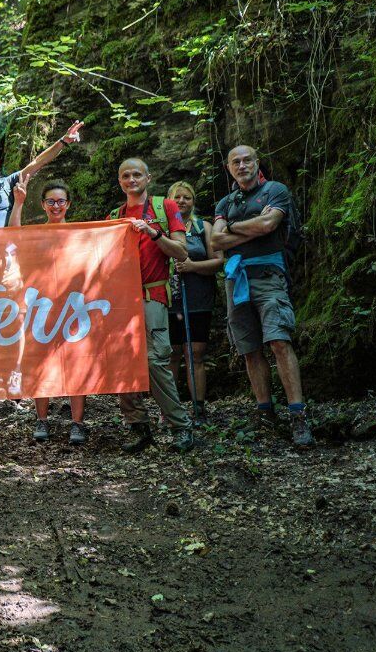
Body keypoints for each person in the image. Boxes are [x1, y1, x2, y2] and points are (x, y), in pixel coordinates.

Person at [210, 146, 313, 447]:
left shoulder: (275, 190)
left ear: (257, 163)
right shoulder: (226, 201)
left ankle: (298, 415)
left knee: (279, 340)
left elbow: (270, 224)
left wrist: (232, 228)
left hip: (269, 274)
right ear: (228, 167)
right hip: (235, 278)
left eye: (247, 160)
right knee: (249, 348)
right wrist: (252, 228)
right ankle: (265, 413)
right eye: (236, 162)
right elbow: (216, 240)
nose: (242, 166)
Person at [107, 159, 194, 453]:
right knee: (123, 364)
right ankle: (138, 427)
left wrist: (153, 233)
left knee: (156, 362)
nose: (131, 179)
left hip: (152, 296)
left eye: (136, 174)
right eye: (125, 176)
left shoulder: (165, 207)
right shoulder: (115, 215)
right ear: (120, 181)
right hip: (121, 301)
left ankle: (180, 427)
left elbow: (182, 251)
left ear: (148, 177)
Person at [9, 175, 88, 445]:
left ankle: (77, 423)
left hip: (73, 308)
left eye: (61, 201)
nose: (56, 206)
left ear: (68, 204)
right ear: (43, 205)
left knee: (76, 364)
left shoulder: (79, 233)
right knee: (41, 363)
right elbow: (13, 236)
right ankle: (41, 419)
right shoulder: (35, 233)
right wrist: (19, 203)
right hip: (41, 308)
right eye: (51, 202)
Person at [166, 181, 221, 424]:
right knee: (171, 354)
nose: (181, 201)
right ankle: (169, 409)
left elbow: (218, 261)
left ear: (193, 200)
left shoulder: (203, 227)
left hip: (198, 298)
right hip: (169, 299)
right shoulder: (162, 227)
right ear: (169, 200)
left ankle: (198, 408)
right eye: (177, 197)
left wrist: (192, 266)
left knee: (195, 352)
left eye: (186, 197)